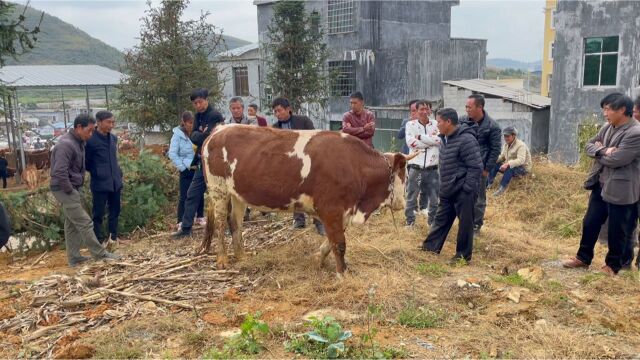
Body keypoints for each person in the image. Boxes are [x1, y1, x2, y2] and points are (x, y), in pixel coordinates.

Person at [563, 93, 640, 275]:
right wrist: (604, 150)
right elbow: (588, 146)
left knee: (617, 228)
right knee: (590, 222)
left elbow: (617, 160)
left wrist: (601, 153)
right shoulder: (607, 127)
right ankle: (583, 258)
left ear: (622, 110)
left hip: (622, 188)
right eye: (603, 109)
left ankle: (612, 266)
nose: (605, 113)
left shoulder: (635, 132)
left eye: (608, 109)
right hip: (601, 183)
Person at [50, 114, 120, 267]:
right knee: (85, 222)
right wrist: (70, 191)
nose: (91, 134)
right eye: (89, 130)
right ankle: (100, 255)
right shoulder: (66, 145)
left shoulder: (79, 142)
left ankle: (74, 258)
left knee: (71, 224)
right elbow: (59, 172)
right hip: (64, 188)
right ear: (79, 127)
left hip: (72, 187)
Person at [422, 108, 483, 264]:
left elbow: (476, 166)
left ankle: (462, 257)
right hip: (448, 188)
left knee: (465, 225)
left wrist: (467, 188)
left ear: (448, 122)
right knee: (441, 219)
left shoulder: (466, 139)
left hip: (463, 190)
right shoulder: (444, 138)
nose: (437, 125)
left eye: (439, 122)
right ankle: (430, 248)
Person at [173, 88, 225, 239]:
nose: (198, 105)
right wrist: (200, 134)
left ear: (206, 100)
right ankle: (186, 228)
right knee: (191, 194)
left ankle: (225, 226)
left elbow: (210, 137)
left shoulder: (214, 115)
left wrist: (201, 134)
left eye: (200, 102)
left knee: (220, 195)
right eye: (195, 103)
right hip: (203, 161)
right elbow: (194, 137)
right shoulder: (197, 116)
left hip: (217, 162)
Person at [272, 97, 325, 235]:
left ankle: (318, 221)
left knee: (313, 193)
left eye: (280, 110)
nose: (277, 114)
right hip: (289, 167)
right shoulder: (274, 129)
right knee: (294, 192)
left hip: (307, 163)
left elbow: (315, 139)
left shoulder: (303, 121)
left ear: (288, 109)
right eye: (275, 112)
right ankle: (299, 220)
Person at [460, 94, 501, 236]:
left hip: (479, 168)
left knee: (479, 199)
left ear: (480, 107)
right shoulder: (462, 121)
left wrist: (486, 169)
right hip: (463, 166)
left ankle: (476, 226)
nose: (467, 110)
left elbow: (495, 150)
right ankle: (464, 223)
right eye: (466, 107)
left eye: (469, 107)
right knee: (461, 196)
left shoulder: (492, 126)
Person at [85, 111, 128, 246]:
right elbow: (86, 163)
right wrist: (98, 172)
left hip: (115, 181)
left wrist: (117, 173)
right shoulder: (91, 141)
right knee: (98, 213)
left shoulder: (113, 139)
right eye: (108, 122)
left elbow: (114, 159)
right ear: (99, 122)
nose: (111, 125)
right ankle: (98, 240)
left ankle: (113, 238)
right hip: (100, 183)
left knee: (115, 210)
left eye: (113, 122)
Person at [404, 100, 440, 227]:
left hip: (432, 167)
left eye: (426, 109)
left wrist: (420, 137)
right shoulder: (410, 124)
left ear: (429, 110)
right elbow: (411, 143)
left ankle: (432, 222)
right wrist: (430, 142)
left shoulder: (436, 124)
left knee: (435, 198)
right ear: (416, 111)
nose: (424, 112)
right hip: (416, 166)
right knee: (412, 196)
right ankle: (410, 222)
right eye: (421, 109)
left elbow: (439, 140)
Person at [168, 111, 205, 230]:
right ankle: (180, 220)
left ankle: (200, 216)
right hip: (186, 169)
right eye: (189, 123)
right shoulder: (177, 136)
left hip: (198, 167)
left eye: (193, 122)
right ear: (183, 122)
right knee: (185, 195)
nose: (191, 125)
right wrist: (183, 168)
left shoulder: (197, 133)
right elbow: (172, 154)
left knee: (199, 193)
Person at [486, 126, 532, 196]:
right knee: (494, 164)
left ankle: (501, 189)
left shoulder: (521, 145)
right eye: (504, 136)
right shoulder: (506, 145)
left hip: (523, 168)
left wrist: (507, 164)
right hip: (511, 166)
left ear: (514, 135)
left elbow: (521, 160)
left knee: (509, 168)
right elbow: (502, 157)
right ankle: (488, 184)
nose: (506, 138)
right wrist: (492, 160)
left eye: (508, 136)